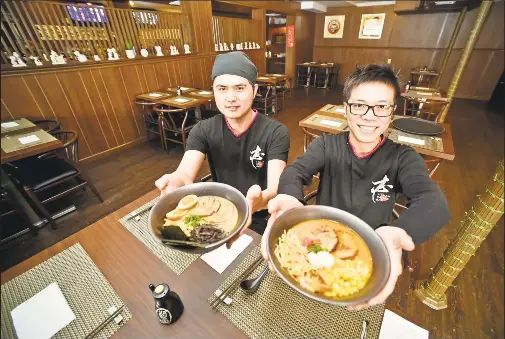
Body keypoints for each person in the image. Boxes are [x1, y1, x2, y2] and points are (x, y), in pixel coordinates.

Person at [264, 64, 451, 310]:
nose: (370, 116)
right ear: (346, 110)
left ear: (391, 113)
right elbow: (295, 171)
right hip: (320, 239)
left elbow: (433, 202)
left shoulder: (403, 157)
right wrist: (290, 199)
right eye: (360, 105)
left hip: (369, 252)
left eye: (381, 107)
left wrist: (397, 234)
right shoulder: (326, 145)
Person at [155, 51, 290, 244]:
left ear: (255, 89)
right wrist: (176, 180)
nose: (231, 97)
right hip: (214, 214)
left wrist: (262, 199)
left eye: (240, 88)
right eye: (222, 88)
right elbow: (185, 173)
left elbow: (275, 187)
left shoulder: (276, 132)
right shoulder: (203, 130)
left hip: (258, 217)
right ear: (214, 91)